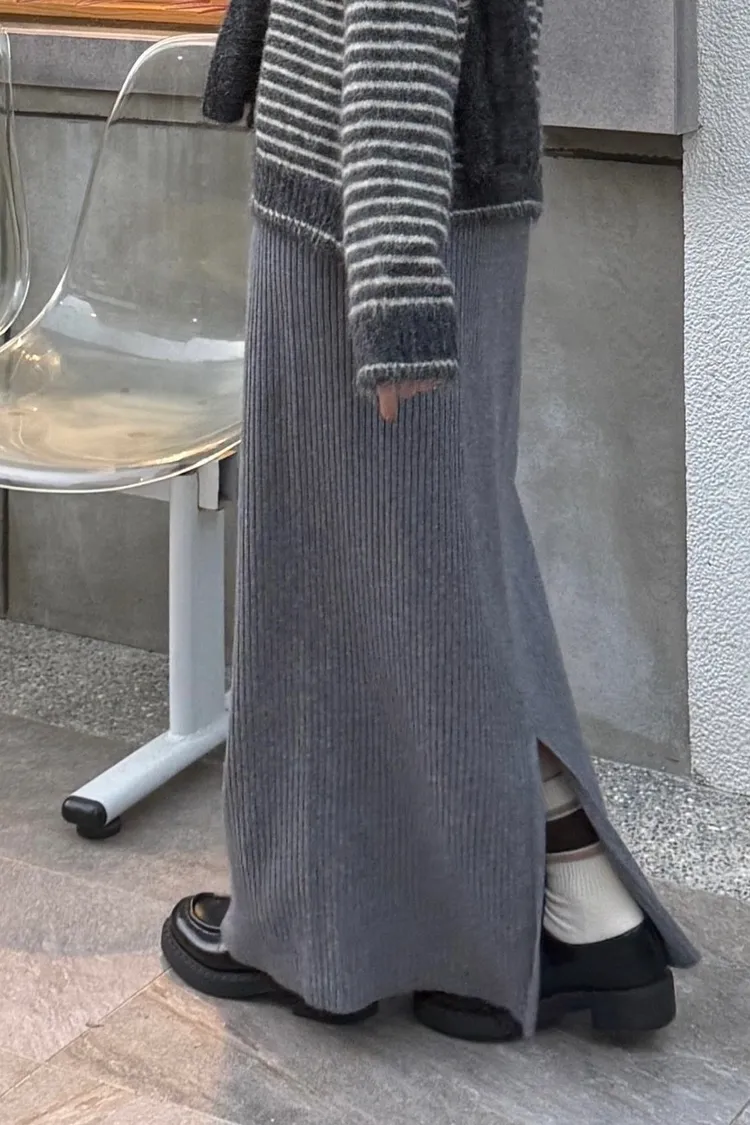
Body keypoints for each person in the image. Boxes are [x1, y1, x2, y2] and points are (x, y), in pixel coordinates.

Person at [160, 0, 698, 1040]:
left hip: (362, 224)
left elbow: (400, 16)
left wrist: (396, 290)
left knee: (342, 585)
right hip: (408, 204)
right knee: (437, 575)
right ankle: (565, 913)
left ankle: (326, 935)